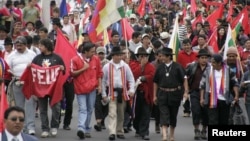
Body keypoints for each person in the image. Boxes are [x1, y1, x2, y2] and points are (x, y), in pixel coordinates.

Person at [31, 38, 65, 138]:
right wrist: (30, 66)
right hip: (41, 88)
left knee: (56, 108)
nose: (39, 47)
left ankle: (54, 126)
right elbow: (33, 72)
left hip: (54, 88)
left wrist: (62, 68)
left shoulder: (57, 58)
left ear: (47, 46)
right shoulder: (37, 58)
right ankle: (45, 128)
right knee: (42, 109)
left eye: (41, 45)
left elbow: (63, 71)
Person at [153, 48, 188, 141]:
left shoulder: (178, 67)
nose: (161, 58)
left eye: (163, 56)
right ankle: (164, 135)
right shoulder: (160, 67)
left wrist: (186, 92)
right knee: (164, 114)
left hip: (174, 94)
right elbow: (155, 82)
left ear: (169, 56)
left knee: (173, 114)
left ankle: (171, 135)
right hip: (162, 93)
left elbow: (184, 79)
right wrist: (154, 95)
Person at [102, 47, 135, 140]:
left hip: (122, 93)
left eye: (120, 55)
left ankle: (119, 131)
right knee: (112, 113)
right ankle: (112, 132)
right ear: (113, 56)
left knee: (121, 113)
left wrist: (131, 90)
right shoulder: (107, 66)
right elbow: (103, 81)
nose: (120, 57)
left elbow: (131, 79)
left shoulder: (125, 66)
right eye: (117, 55)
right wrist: (104, 94)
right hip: (111, 93)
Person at [71, 42, 103, 139]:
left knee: (89, 109)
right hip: (80, 89)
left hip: (92, 89)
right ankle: (81, 128)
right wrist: (83, 68)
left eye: (94, 51)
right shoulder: (75, 60)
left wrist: (100, 86)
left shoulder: (96, 59)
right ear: (85, 52)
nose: (94, 53)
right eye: (92, 52)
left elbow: (99, 74)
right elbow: (72, 73)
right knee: (83, 109)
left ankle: (87, 128)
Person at [6, 36, 37, 135]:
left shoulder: (32, 54)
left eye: (21, 45)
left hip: (29, 83)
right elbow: (7, 68)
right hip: (17, 82)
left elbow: (37, 67)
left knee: (30, 104)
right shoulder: (11, 55)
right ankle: (21, 127)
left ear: (25, 45)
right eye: (17, 45)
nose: (18, 47)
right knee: (19, 106)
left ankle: (31, 127)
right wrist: (12, 73)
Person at [200, 54, 240, 125]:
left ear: (219, 63)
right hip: (211, 99)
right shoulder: (208, 70)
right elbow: (202, 85)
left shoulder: (228, 70)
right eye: (211, 62)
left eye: (214, 62)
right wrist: (202, 98)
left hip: (224, 99)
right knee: (213, 120)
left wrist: (236, 95)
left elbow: (235, 83)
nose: (212, 64)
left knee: (223, 121)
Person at [129, 47, 155, 140]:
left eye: (145, 56)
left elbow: (152, 76)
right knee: (137, 113)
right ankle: (137, 129)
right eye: (141, 56)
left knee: (146, 113)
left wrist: (144, 78)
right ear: (138, 57)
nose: (143, 58)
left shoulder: (151, 66)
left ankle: (145, 132)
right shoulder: (133, 65)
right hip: (137, 94)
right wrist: (141, 66)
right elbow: (133, 75)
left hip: (146, 93)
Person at [185, 49, 210, 140]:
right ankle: (196, 130)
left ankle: (204, 130)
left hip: (207, 93)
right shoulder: (192, 67)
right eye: (202, 58)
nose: (204, 60)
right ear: (198, 59)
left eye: (206, 58)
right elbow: (185, 77)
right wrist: (187, 89)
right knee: (195, 111)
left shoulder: (211, 68)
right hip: (195, 92)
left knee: (206, 113)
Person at [94, 46, 109, 131]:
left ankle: (102, 119)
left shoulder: (108, 63)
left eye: (102, 53)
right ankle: (98, 122)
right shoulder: (94, 62)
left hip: (106, 87)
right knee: (98, 105)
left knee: (106, 106)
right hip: (96, 87)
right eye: (99, 53)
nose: (101, 55)